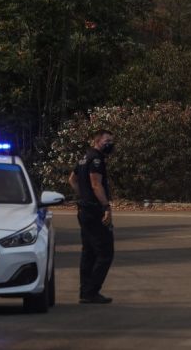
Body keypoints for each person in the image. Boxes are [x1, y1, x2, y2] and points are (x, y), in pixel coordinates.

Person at [69, 128, 116, 304]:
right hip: (94, 211)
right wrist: (106, 207)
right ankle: (91, 290)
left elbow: (72, 179)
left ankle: (85, 292)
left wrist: (83, 196)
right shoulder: (96, 159)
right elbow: (96, 184)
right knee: (105, 253)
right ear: (97, 141)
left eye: (111, 141)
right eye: (107, 141)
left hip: (84, 210)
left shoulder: (84, 157)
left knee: (88, 252)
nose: (110, 144)